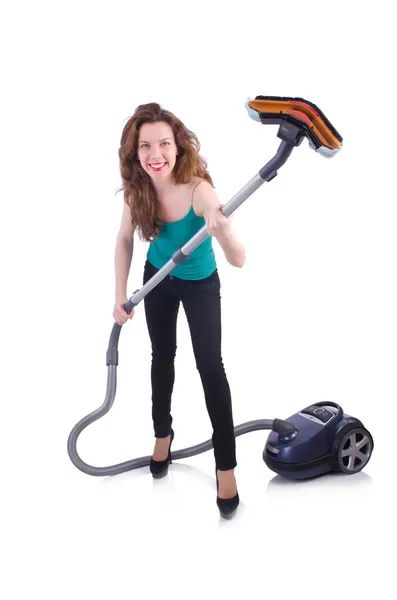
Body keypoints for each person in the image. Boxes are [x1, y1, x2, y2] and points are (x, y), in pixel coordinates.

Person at [113, 102, 246, 518]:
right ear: (135, 153)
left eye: (164, 144)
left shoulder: (197, 189)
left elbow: (239, 259)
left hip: (199, 283)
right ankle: (162, 436)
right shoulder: (138, 189)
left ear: (178, 146)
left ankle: (226, 466)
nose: (156, 153)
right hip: (158, 279)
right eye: (146, 145)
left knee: (210, 365)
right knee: (161, 358)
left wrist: (222, 232)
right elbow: (123, 240)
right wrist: (120, 294)